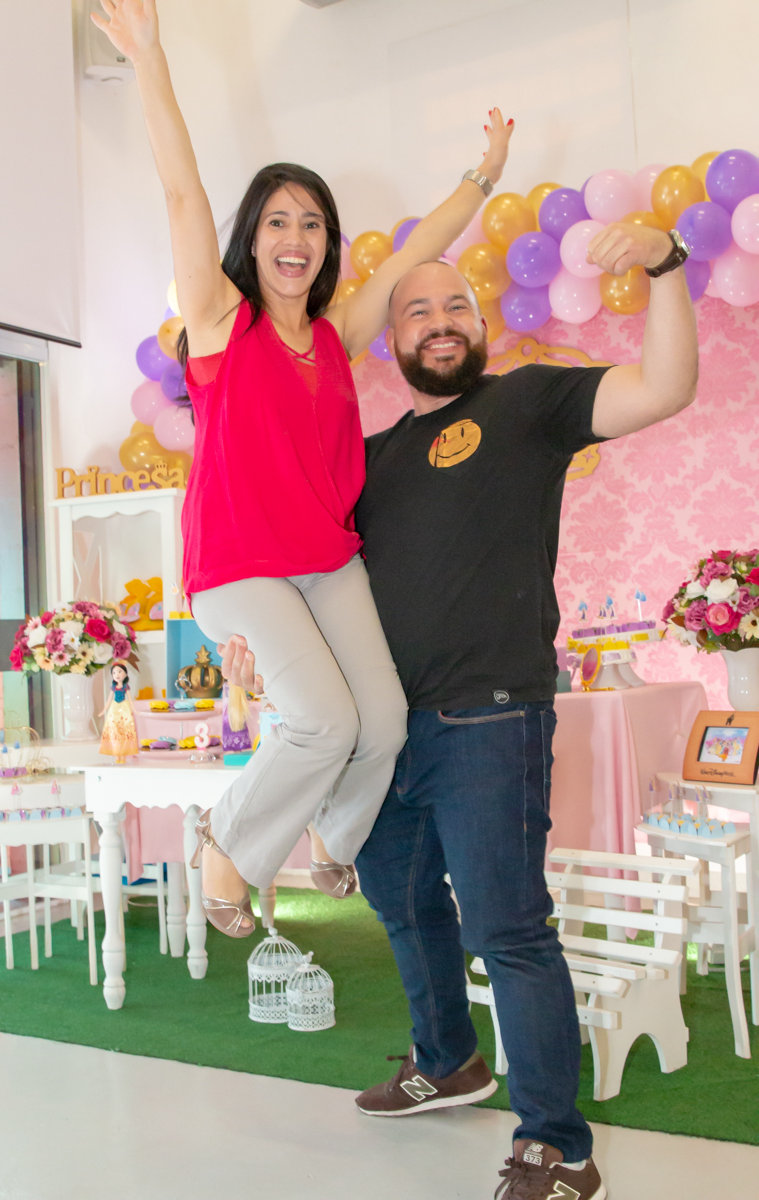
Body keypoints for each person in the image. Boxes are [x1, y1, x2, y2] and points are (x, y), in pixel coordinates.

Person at [222, 219, 698, 1199]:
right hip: (385, 729)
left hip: (488, 718)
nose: (438, 321)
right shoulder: (363, 460)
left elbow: (663, 386)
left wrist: (662, 268)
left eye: (454, 306)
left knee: (506, 929)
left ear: (480, 323)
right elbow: (301, 567)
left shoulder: (527, 401)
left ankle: (555, 1145)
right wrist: (247, 626)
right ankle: (445, 1062)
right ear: (389, 342)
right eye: (415, 309)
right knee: (402, 911)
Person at [92, 0, 514, 939]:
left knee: (385, 722)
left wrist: (481, 178)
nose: (297, 237)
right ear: (254, 238)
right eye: (279, 221)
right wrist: (151, 60)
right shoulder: (219, 323)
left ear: (327, 245)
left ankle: (334, 836)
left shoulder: (333, 334)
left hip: (326, 558)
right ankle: (225, 847)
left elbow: (413, 252)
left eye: (314, 224)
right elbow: (181, 194)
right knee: (324, 721)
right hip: (240, 563)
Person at [99, 661, 138, 763]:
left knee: (125, 730)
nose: (117, 675)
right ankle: (116, 754)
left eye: (120, 672)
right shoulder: (113, 687)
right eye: (114, 673)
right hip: (114, 708)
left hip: (124, 708)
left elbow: (130, 699)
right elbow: (108, 700)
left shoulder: (126, 687)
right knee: (114, 730)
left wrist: (135, 710)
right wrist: (103, 710)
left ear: (125, 673)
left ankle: (124, 754)